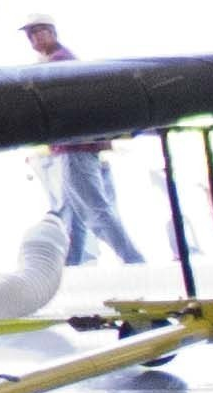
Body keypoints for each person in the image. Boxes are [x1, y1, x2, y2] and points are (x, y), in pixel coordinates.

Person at [20, 16, 142, 265]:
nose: (34, 39)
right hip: (73, 146)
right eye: (30, 35)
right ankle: (71, 265)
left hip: (75, 146)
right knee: (72, 215)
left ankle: (134, 261)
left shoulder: (58, 63)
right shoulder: (57, 61)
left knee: (96, 212)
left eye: (39, 32)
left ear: (52, 32)